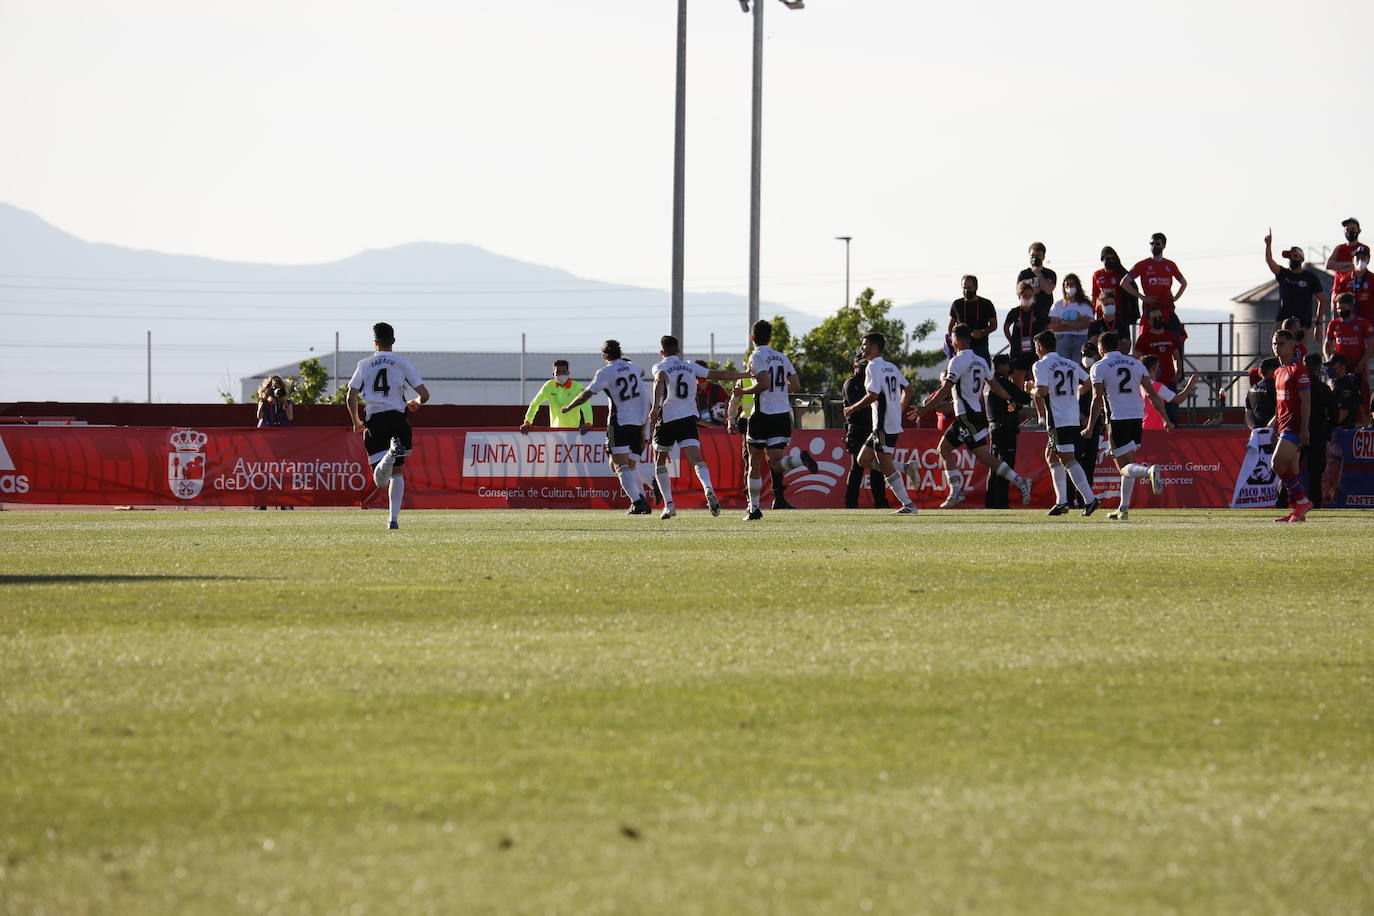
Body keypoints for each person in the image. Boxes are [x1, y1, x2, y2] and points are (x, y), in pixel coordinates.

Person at [907, 324, 1032, 509]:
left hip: (967, 416)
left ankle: (959, 490)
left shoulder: (957, 361)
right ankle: (1017, 481)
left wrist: (925, 409)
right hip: (974, 414)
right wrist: (1010, 399)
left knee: (968, 454)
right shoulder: (982, 360)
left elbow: (945, 389)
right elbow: (996, 387)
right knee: (957, 452)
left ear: (956, 340)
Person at [646, 336, 749, 519]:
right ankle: (708, 487)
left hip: (668, 418)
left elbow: (659, 380)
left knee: (660, 461)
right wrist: (745, 375)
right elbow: (719, 375)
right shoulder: (690, 366)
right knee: (697, 460)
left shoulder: (659, 366)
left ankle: (669, 505)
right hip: (688, 418)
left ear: (662, 352)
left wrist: (654, 408)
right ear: (678, 351)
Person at [728, 320, 818, 521]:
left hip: (762, 415)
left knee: (755, 462)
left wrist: (743, 390)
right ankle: (799, 460)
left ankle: (754, 508)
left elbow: (763, 383)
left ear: (752, 337)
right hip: (782, 415)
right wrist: (779, 390)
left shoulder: (756, 356)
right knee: (776, 463)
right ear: (770, 337)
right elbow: (795, 385)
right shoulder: (781, 357)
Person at [346, 322, 431, 530]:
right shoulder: (402, 363)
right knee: (397, 473)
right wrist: (416, 403)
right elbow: (425, 395)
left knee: (380, 481)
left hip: (375, 420)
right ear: (393, 341)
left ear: (375, 342)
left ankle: (389, 454)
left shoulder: (364, 364)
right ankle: (393, 519)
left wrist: (356, 422)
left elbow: (351, 395)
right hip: (398, 419)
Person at [1083, 331, 1172, 520]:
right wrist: (1165, 418)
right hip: (1137, 418)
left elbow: (1097, 399)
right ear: (1119, 346)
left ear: (1101, 348)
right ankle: (1123, 509)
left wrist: (1090, 427)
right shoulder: (1136, 364)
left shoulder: (1099, 366)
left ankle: (1149, 471)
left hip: (1117, 419)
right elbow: (1152, 395)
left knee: (1124, 468)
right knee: (1128, 462)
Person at [559, 340, 653, 515]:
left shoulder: (605, 372)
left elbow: (587, 393)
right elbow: (642, 371)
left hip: (620, 421)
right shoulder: (633, 366)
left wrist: (569, 407)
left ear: (605, 356)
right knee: (625, 464)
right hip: (639, 422)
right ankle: (643, 500)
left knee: (620, 466)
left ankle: (638, 501)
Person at [841, 333, 918, 514]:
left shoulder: (872, 367)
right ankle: (906, 467)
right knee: (863, 459)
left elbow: (873, 395)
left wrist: (852, 408)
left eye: (865, 344)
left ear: (874, 347)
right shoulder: (890, 366)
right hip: (886, 423)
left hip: (883, 424)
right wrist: (899, 408)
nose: (863, 348)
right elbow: (908, 389)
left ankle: (908, 504)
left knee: (884, 465)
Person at [1030, 329, 1098, 516]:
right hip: (1071, 416)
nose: (1036, 351)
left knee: (1068, 459)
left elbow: (1042, 391)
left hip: (1058, 419)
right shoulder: (1069, 363)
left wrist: (1031, 390)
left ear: (1041, 347)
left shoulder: (1040, 365)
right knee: (1052, 455)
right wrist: (1073, 396)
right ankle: (1062, 502)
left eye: (1036, 347)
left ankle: (1090, 499)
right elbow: (1088, 382)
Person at [1267, 328, 1313, 522]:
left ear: (1293, 345)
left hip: (1294, 426)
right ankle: (1298, 511)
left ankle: (1303, 502)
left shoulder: (1298, 369)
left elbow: (1306, 400)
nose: (1277, 347)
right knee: (1293, 471)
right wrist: (1274, 424)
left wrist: (1304, 428)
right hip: (1284, 426)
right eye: (1275, 343)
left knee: (1276, 463)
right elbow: (1281, 404)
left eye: (1281, 343)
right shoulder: (1278, 371)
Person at [1121, 233, 1189, 348]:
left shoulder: (1170, 265)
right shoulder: (1143, 264)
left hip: (1167, 309)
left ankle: (1178, 365)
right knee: (1144, 339)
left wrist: (1176, 297)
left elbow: (1183, 282)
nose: (1154, 247)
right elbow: (1124, 282)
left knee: (1177, 339)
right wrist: (1141, 296)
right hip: (1150, 309)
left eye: (1157, 244)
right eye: (1151, 244)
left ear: (1163, 246)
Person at [984, 353, 1031, 509]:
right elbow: (1024, 398)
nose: (1010, 367)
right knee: (1005, 466)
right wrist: (1028, 390)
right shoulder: (1002, 382)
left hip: (995, 428)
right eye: (1007, 364)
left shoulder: (991, 382)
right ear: (1000, 366)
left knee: (995, 466)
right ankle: (1001, 503)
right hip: (1005, 429)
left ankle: (991, 503)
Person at [842, 357, 889, 510]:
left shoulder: (872, 381)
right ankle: (851, 505)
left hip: (872, 428)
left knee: (877, 469)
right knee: (856, 469)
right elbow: (858, 406)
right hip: (857, 430)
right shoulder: (851, 383)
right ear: (855, 366)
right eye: (862, 365)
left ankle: (880, 503)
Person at [1323, 291, 1373, 423]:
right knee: (1337, 399)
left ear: (1351, 307)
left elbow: (1371, 347)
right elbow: (1326, 345)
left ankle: (1365, 430)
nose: (1340, 311)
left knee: (1362, 401)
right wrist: (1330, 361)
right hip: (1340, 370)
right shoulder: (1333, 324)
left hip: (1357, 369)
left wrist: (1361, 366)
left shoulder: (1363, 323)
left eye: (1343, 308)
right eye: (1338, 308)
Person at [1264, 231, 1327, 329]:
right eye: (1290, 256)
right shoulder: (1283, 273)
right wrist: (1268, 245)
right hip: (1282, 323)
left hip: (1302, 325)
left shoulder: (1310, 277)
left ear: (1301, 259)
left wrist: (1318, 323)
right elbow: (1270, 261)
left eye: (1295, 256)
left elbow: (1322, 300)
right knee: (1279, 343)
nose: (1292, 259)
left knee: (1300, 345)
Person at [1135, 304, 1186, 425]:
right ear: (1148, 321)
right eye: (1154, 318)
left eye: (1159, 317)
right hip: (1150, 384)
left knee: (1172, 414)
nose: (1157, 320)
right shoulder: (1144, 338)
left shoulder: (1170, 335)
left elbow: (1176, 357)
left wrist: (1179, 372)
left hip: (1169, 380)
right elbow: (1137, 358)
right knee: (1153, 417)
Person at [255, 375, 295, 511]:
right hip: (265, 440)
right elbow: (259, 416)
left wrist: (284, 403)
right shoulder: (264, 401)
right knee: (264, 471)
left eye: (279, 389)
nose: (276, 392)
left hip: (283, 440)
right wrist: (264, 401)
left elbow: (290, 417)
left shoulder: (287, 402)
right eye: (273, 389)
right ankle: (262, 502)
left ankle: (286, 501)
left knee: (284, 471)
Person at [1301, 353, 1336, 509]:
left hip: (1298, 432)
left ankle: (1283, 501)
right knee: (1316, 472)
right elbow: (1334, 414)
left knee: (1291, 469)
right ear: (1318, 368)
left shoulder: (1297, 387)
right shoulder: (1323, 388)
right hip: (1316, 433)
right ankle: (1314, 502)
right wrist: (1326, 429)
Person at [521, 360, 592, 434]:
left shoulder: (577, 386)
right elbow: (535, 403)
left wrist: (588, 423)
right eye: (558, 372)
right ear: (553, 373)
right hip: (554, 432)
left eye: (564, 372)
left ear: (568, 373)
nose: (561, 374)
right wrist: (527, 422)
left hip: (574, 431)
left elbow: (586, 405)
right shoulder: (548, 386)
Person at [1002, 279, 1050, 389]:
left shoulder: (1039, 311)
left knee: (1036, 378)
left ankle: (1039, 405)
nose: (1027, 298)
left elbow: (1048, 325)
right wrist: (1012, 342)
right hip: (1019, 350)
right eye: (1024, 295)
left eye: (1030, 295)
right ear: (1019, 296)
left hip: (1035, 350)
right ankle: (1017, 404)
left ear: (1033, 295)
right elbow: (1006, 327)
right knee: (1017, 378)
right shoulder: (1014, 312)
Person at [1141, 355, 1199, 432]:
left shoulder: (1141, 385)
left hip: (1145, 426)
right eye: (1158, 367)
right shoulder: (1157, 387)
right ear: (1153, 369)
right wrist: (1190, 384)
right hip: (1156, 428)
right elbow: (1179, 399)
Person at [1092, 246, 1140, 337]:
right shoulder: (1097, 275)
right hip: (1101, 315)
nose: (1110, 260)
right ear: (1102, 259)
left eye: (1112, 258)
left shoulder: (1121, 274)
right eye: (1107, 258)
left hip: (1119, 316)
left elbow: (1131, 291)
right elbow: (1094, 296)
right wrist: (1091, 313)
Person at [949, 275, 998, 363]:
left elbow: (994, 325)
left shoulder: (986, 304)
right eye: (964, 288)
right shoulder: (957, 304)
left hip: (980, 346)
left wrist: (982, 332)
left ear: (976, 287)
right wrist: (953, 342)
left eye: (969, 288)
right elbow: (950, 326)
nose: (966, 291)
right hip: (962, 348)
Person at [1049, 273, 1094, 360]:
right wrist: (1077, 324)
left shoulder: (1085, 305)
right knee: (1063, 364)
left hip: (1080, 338)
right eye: (1067, 285)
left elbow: (1084, 325)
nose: (1069, 287)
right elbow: (1054, 326)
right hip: (1061, 339)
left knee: (1076, 366)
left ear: (1077, 286)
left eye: (1072, 284)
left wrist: (1064, 322)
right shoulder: (1057, 305)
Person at [1331, 244, 1374, 324]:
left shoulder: (1372, 278)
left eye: (1363, 258)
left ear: (1368, 260)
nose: (1360, 260)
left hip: (1369, 320)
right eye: (1358, 258)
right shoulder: (1345, 279)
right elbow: (1339, 299)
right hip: (1349, 320)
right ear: (1353, 260)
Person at [1016, 242, 1057, 312]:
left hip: (1045, 312)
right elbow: (1019, 293)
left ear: (1043, 257)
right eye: (1032, 255)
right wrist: (1034, 290)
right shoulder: (1023, 274)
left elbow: (1048, 290)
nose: (1035, 258)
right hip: (1027, 311)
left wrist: (1038, 274)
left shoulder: (1050, 274)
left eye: (1038, 255)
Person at [1086, 288, 1126, 354]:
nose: (1110, 306)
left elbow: (1126, 346)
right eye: (1106, 304)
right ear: (1101, 306)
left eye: (1112, 304)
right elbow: (1092, 344)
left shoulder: (1122, 324)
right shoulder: (1094, 325)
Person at [1325, 217, 1362, 288]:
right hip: (1339, 287)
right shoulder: (1339, 248)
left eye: (1353, 229)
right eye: (1347, 229)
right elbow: (1328, 265)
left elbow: (1358, 267)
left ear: (1359, 231)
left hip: (1357, 286)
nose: (1350, 231)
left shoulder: (1362, 248)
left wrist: (1338, 267)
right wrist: (1349, 264)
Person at [1245, 358, 1279, 430]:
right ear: (1272, 371)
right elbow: (1279, 411)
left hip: (1257, 433)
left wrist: (1254, 428)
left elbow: (1248, 413)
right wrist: (1267, 429)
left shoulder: (1252, 389)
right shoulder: (1277, 388)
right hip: (1274, 433)